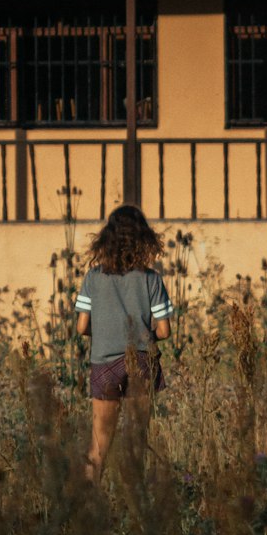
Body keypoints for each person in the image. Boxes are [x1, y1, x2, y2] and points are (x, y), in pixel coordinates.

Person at [74, 204, 173, 484]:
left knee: (98, 446)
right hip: (141, 361)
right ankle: (135, 506)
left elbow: (81, 326)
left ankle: (89, 507)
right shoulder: (151, 279)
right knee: (136, 442)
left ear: (106, 238)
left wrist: (105, 329)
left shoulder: (93, 278)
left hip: (104, 363)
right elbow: (164, 330)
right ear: (144, 239)